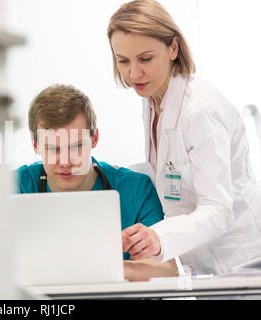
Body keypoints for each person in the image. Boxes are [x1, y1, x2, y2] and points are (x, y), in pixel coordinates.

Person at [107, 0, 261, 275]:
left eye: (145, 59)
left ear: (173, 48)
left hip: (240, 262)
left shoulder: (200, 110)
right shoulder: (153, 99)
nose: (134, 73)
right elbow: (171, 173)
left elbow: (217, 209)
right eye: (123, 61)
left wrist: (158, 238)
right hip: (204, 263)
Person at [15, 84, 178, 281]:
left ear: (94, 138)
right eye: (54, 149)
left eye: (76, 147)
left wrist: (107, 267)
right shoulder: (15, 187)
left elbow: (168, 269)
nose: (66, 161)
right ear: (35, 146)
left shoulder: (135, 190)